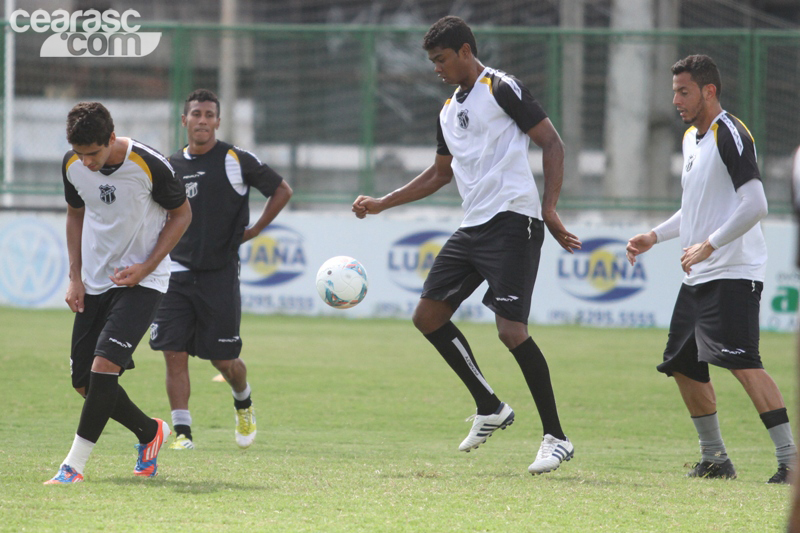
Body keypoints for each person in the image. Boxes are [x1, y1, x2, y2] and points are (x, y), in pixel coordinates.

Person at [352, 16, 581, 475]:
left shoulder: (501, 88)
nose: (436, 68)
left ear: (464, 51)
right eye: (432, 61)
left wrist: (549, 209)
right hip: (473, 226)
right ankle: (490, 405)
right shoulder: (445, 110)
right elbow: (440, 173)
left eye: (441, 60)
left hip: (514, 220)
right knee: (428, 316)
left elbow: (552, 144)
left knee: (511, 332)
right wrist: (383, 203)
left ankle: (556, 437)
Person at [626, 54, 796, 483]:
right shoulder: (690, 139)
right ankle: (715, 459)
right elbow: (694, 209)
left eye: (684, 91)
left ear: (709, 91)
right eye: (674, 92)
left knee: (743, 363)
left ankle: (791, 461)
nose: (677, 100)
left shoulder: (730, 134)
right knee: (681, 363)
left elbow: (756, 204)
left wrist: (711, 245)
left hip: (734, 270)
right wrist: (655, 236)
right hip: (700, 273)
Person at [45, 102, 192, 484]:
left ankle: (72, 467)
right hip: (94, 281)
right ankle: (149, 432)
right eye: (80, 154)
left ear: (111, 138)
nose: (87, 162)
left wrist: (147, 265)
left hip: (143, 280)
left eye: (93, 153)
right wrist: (75, 277)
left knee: (104, 366)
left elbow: (182, 214)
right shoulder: (72, 164)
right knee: (84, 383)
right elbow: (75, 213)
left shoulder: (150, 165)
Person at [149, 89, 292, 450]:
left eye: (209, 114)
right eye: (196, 114)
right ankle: (183, 433)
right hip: (175, 272)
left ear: (217, 120)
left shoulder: (234, 159)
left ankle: (243, 400)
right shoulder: (168, 166)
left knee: (224, 359)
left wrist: (255, 230)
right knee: (173, 352)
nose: (202, 120)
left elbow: (282, 190)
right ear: (184, 120)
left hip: (219, 273)